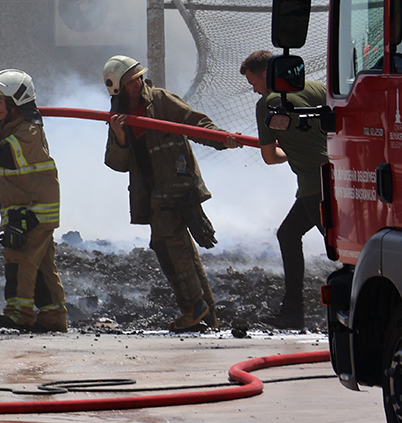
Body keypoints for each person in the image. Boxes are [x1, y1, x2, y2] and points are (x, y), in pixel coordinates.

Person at [103, 55, 237, 333]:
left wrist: (222, 138)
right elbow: (117, 163)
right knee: (177, 248)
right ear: (117, 88)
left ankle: (194, 307)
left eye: (139, 77)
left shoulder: (162, 100)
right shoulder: (117, 117)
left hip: (178, 189)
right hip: (152, 195)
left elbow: (195, 123)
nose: (138, 83)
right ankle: (207, 313)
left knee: (171, 247)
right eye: (130, 82)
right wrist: (119, 136)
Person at [0, 69, 68, 332]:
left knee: (20, 260)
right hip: (26, 209)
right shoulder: (10, 128)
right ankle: (53, 318)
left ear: (15, 103)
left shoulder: (29, 131)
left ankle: (18, 316)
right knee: (41, 267)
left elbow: (3, 154)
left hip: (32, 212)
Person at [241, 50, 328, 330]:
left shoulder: (268, 102)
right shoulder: (316, 88)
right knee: (288, 234)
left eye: (253, 82)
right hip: (339, 176)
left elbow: (269, 157)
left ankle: (357, 312)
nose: (254, 90)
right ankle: (292, 312)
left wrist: (288, 150)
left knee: (342, 250)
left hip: (316, 186)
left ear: (266, 74)